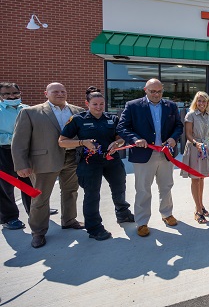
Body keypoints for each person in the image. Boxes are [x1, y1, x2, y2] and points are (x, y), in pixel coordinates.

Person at [12, 82, 85, 248]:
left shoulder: (78, 111)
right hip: (44, 161)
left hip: (72, 159)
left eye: (63, 91)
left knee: (70, 192)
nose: (60, 94)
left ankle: (69, 220)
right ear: (46, 93)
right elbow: (19, 142)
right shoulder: (30, 112)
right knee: (40, 198)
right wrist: (21, 164)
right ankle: (38, 232)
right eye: (55, 91)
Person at [58, 87, 134, 241]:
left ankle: (123, 213)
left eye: (101, 104)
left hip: (111, 161)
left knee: (119, 188)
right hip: (89, 163)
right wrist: (83, 142)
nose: (98, 107)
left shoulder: (112, 119)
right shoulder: (78, 119)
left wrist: (117, 143)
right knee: (92, 195)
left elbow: (120, 138)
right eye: (95, 104)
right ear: (87, 103)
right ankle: (94, 228)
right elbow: (62, 142)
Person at [116, 78, 184, 237]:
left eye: (159, 91)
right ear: (145, 90)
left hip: (166, 154)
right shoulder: (133, 106)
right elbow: (122, 127)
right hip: (144, 154)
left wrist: (174, 138)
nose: (156, 94)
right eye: (152, 91)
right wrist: (134, 139)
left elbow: (178, 126)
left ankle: (167, 214)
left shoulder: (171, 106)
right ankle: (142, 222)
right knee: (143, 190)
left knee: (166, 186)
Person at [0, 82, 33, 230]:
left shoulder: (27, 109)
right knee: (5, 186)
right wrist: (17, 138)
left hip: (26, 152)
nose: (11, 96)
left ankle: (35, 210)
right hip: (4, 152)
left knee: (29, 182)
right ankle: (9, 217)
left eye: (14, 93)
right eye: (6, 94)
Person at [180, 91, 209, 224]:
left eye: (204, 101)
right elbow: (188, 134)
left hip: (206, 148)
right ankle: (198, 210)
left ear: (207, 103)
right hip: (195, 148)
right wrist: (196, 143)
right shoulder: (191, 115)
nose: (201, 103)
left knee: (201, 178)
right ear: (196, 102)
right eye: (199, 101)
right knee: (195, 179)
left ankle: (200, 205)